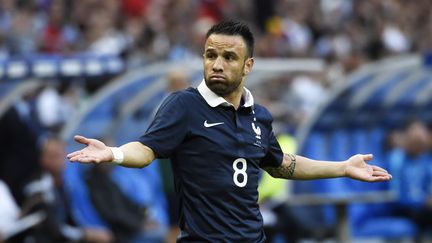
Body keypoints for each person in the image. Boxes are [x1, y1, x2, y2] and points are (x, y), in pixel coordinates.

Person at [68, 20, 392, 242]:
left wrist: (343, 168)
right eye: (210, 55)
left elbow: (281, 165)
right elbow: (146, 150)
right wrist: (114, 153)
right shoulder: (184, 105)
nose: (217, 64)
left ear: (248, 66)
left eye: (228, 56)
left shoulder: (259, 117)